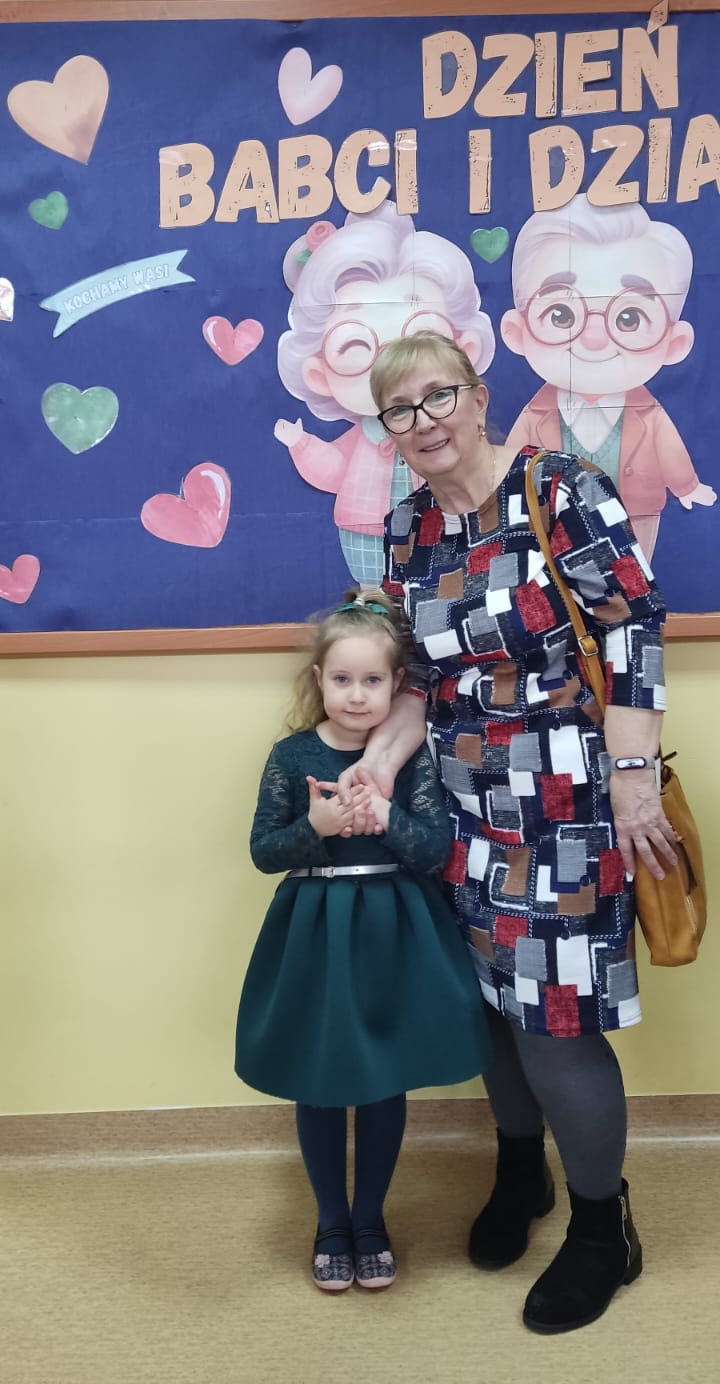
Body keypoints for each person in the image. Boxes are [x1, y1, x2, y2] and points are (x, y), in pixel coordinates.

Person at [354, 330, 678, 1334]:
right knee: (487, 1010)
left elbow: (630, 627)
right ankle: (519, 1170)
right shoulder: (408, 528)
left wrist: (635, 781)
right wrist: (379, 764)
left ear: (479, 395)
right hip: (458, 807)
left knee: (553, 1024)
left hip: (564, 805)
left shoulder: (559, 489)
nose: (423, 421)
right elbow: (420, 679)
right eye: (399, 410)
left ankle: (602, 1227)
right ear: (388, 432)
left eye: (437, 395)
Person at [234, 586, 491, 1294]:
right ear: (319, 679)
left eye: (372, 680)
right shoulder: (291, 756)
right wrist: (315, 829)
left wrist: (387, 814)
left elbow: (433, 851)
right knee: (319, 1079)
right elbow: (264, 852)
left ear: (397, 684)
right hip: (316, 932)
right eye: (342, 679)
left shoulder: (411, 758)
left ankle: (370, 1220)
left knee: (383, 1077)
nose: (355, 695)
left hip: (392, 929)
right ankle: (330, 1223)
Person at [274, 199, 495, 583]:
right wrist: (302, 444)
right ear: (318, 373)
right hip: (364, 533)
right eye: (357, 346)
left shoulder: (540, 485)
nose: (394, 367)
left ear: (465, 353)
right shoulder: (366, 442)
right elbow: (332, 469)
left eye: (420, 341)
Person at [500, 193, 716, 560]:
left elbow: (669, 448)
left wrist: (686, 486)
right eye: (562, 315)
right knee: (558, 576)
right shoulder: (534, 414)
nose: (594, 338)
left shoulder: (650, 414)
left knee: (635, 573)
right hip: (554, 514)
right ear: (517, 333)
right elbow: (512, 459)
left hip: (636, 510)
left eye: (629, 318)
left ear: (673, 342)